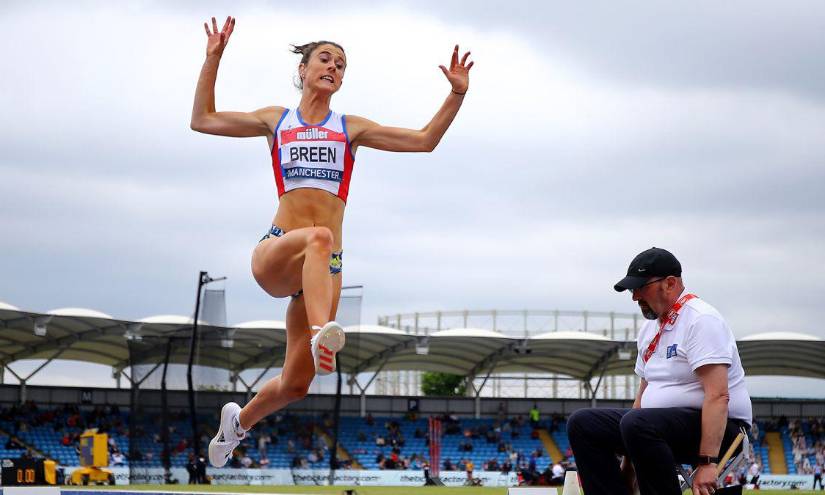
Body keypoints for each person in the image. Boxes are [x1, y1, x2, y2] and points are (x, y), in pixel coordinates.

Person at [191, 16, 473, 468]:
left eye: (341, 65)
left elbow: (424, 141)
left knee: (296, 385)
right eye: (325, 59)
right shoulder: (276, 120)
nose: (333, 68)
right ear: (302, 69)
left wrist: (456, 94)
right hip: (279, 251)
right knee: (319, 236)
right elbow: (202, 119)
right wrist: (213, 58)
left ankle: (237, 424)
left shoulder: (350, 128)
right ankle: (322, 333)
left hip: (324, 270)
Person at [568, 247, 753, 495]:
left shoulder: (701, 320)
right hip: (655, 426)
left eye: (640, 287)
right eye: (632, 290)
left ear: (670, 283)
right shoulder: (650, 329)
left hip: (723, 429)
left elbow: (718, 395)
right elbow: (642, 397)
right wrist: (628, 467)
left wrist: (707, 462)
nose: (635, 297)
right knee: (583, 423)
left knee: (639, 423)